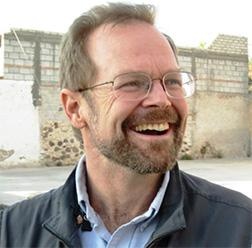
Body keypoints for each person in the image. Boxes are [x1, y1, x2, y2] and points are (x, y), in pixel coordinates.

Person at [0, 2, 251, 248]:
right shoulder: (13, 231)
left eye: (172, 81)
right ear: (75, 108)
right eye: (132, 82)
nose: (162, 99)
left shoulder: (241, 228)